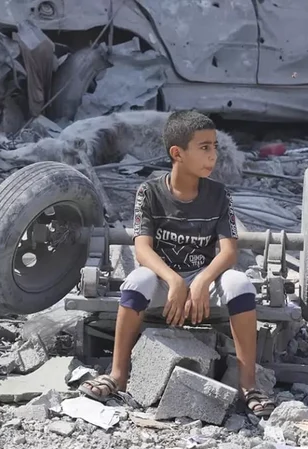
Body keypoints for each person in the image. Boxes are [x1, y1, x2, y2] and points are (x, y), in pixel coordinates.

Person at [78, 110, 276, 417]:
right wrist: (173, 281)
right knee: (136, 282)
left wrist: (200, 282)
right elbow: (142, 250)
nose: (213, 155)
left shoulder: (220, 194)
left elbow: (228, 253)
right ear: (177, 153)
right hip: (163, 280)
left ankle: (248, 384)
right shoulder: (150, 192)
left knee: (240, 284)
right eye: (204, 148)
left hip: (205, 281)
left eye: (214, 147)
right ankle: (118, 374)